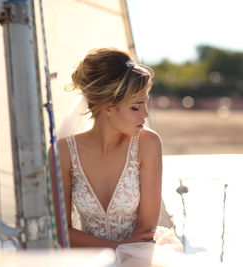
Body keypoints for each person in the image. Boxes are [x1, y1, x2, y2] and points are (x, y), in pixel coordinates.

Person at [50, 48, 185, 266]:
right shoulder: (63, 152)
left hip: (141, 257)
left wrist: (123, 253)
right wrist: (116, 249)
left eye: (145, 103)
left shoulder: (147, 144)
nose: (145, 114)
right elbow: (60, 232)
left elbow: (145, 231)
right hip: (87, 259)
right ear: (108, 107)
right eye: (136, 107)